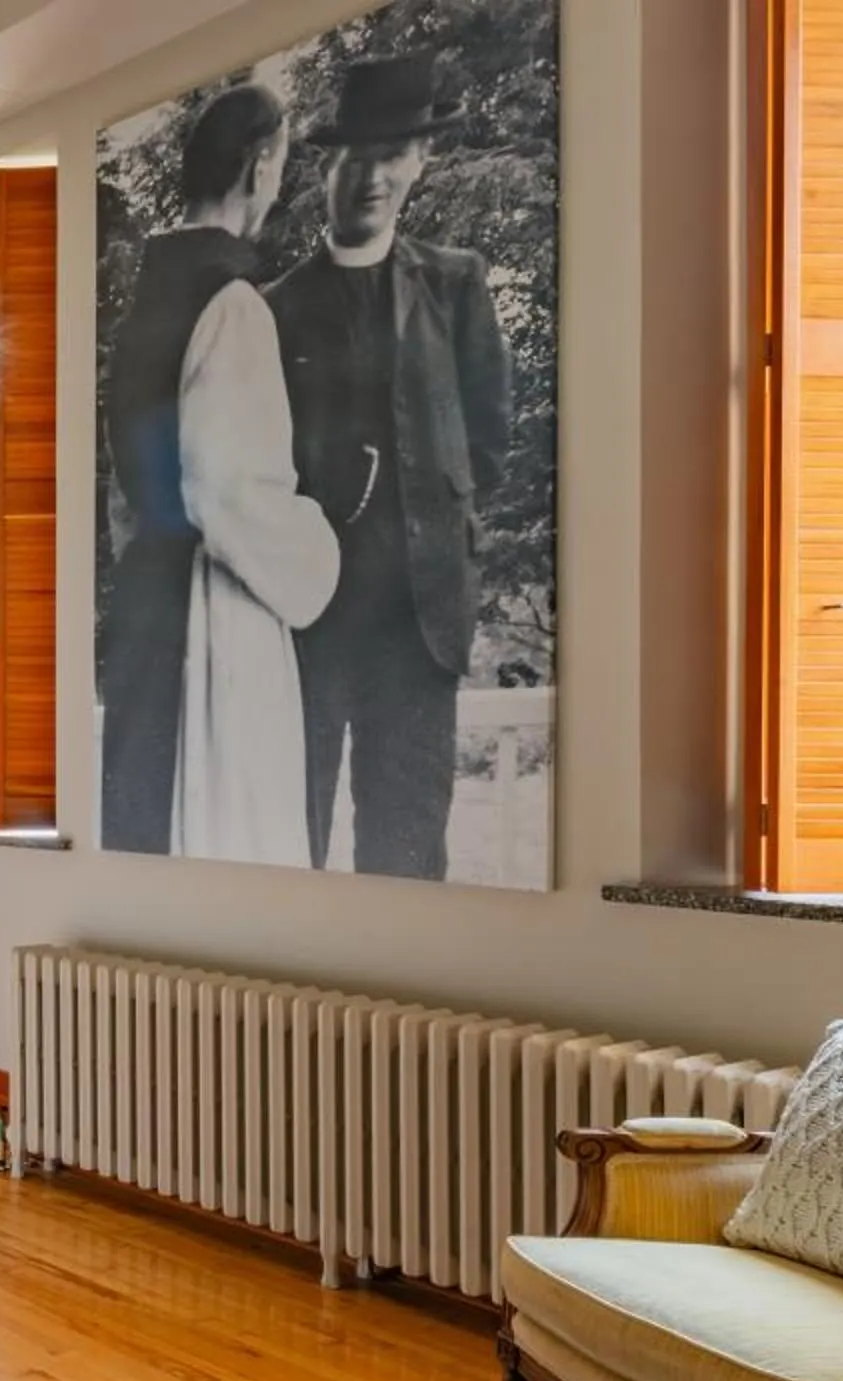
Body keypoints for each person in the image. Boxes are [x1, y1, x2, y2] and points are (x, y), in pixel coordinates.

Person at [267, 49, 515, 880]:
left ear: (419, 163)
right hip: (306, 624)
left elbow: (485, 442)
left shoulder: (455, 287)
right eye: (356, 157)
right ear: (328, 165)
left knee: (408, 857)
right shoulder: (276, 309)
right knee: (286, 845)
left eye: (391, 156)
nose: (372, 176)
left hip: (417, 628)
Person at [101, 84, 340, 864]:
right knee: (229, 837)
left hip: (149, 607)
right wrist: (317, 549)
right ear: (261, 164)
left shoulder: (150, 304)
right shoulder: (233, 304)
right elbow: (227, 491)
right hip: (213, 611)